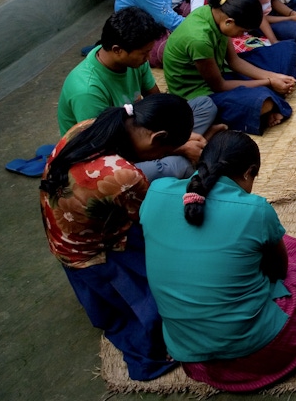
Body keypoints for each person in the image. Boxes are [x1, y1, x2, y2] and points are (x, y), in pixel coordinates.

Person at [140, 131, 296, 393]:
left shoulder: (156, 191)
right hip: (261, 352)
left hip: (193, 358)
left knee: (279, 244)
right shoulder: (255, 209)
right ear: (249, 173)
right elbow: (279, 272)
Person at [40, 94, 193, 380]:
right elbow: (155, 221)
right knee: (156, 306)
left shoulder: (89, 126)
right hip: (91, 254)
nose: (160, 159)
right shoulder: (123, 176)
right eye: (164, 152)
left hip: (64, 236)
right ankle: (150, 359)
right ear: (157, 137)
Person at [58, 6, 217, 179]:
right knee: (177, 166)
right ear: (118, 50)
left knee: (205, 104)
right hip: (106, 156)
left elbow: (156, 101)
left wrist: (179, 135)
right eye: (144, 53)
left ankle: (183, 146)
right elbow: (105, 149)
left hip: (141, 130)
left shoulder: (134, 62)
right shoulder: (87, 91)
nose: (148, 59)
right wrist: (179, 146)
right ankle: (187, 149)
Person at [163, 0, 296, 134]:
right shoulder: (199, 40)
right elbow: (220, 86)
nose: (241, 36)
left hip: (223, 71)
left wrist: (273, 76)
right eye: (242, 31)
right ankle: (271, 102)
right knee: (263, 101)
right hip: (201, 92)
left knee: (286, 50)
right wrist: (269, 81)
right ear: (229, 22)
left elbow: (234, 61)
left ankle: (273, 97)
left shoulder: (218, 15)